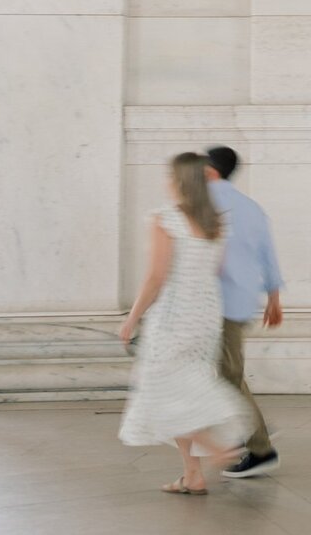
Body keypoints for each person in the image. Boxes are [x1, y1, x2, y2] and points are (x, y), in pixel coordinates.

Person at [118, 152, 252, 495]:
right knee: (183, 388)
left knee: (160, 388)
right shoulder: (217, 223)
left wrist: (132, 317)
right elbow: (217, 270)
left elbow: (156, 276)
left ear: (178, 181)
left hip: (174, 316)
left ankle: (218, 447)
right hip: (206, 316)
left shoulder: (165, 219)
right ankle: (192, 475)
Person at [205, 145, 284, 478]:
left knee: (228, 375)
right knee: (227, 371)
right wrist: (274, 299)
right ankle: (248, 429)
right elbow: (268, 255)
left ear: (209, 171)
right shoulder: (251, 207)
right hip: (241, 301)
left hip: (212, 302)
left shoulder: (202, 204)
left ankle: (259, 445)